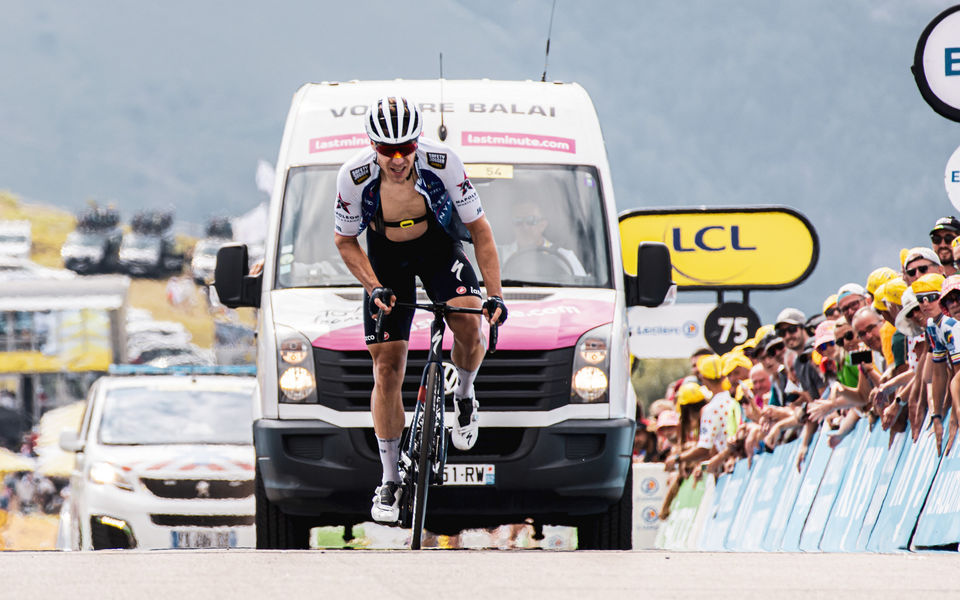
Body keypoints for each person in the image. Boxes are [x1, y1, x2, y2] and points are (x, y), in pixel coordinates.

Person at [334, 95, 508, 522]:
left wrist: (495, 294)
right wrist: (374, 287)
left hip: (435, 247)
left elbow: (480, 230)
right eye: (386, 150)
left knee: (468, 322)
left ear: (418, 142)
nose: (396, 159)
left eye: (405, 148)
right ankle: (390, 480)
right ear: (371, 145)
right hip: (385, 256)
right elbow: (344, 240)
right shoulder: (353, 176)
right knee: (387, 368)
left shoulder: (442, 160)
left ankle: (464, 394)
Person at [499, 200, 586, 277]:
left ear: (543, 224)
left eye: (531, 220)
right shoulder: (497, 256)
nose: (524, 226)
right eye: (517, 221)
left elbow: (582, 292)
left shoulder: (565, 257)